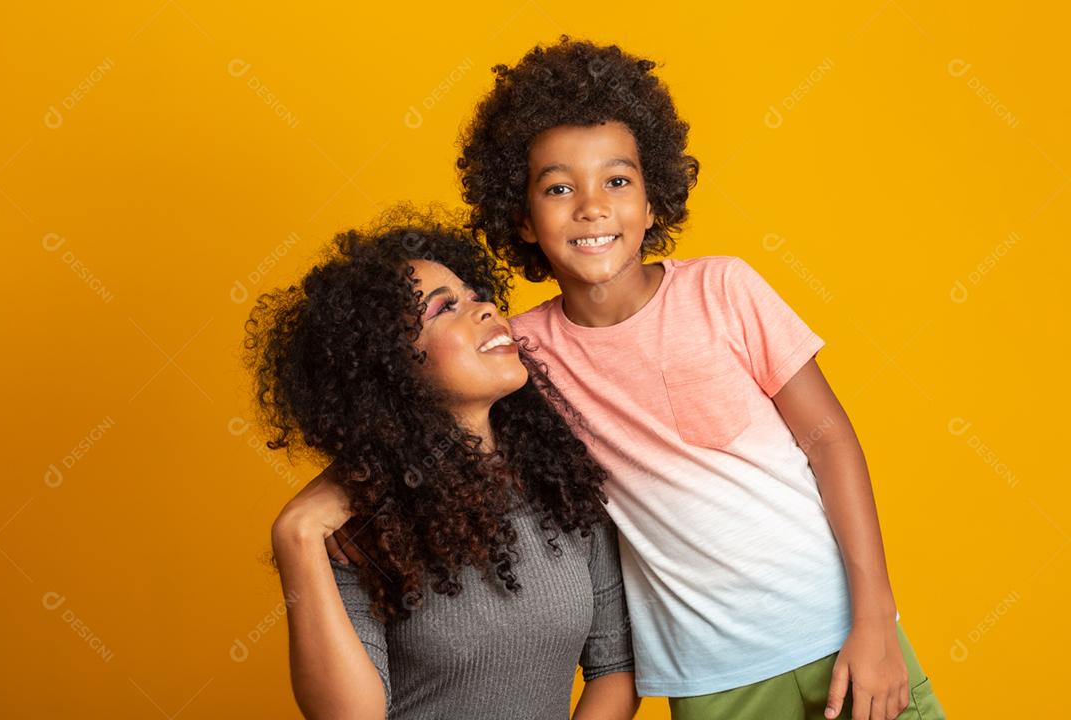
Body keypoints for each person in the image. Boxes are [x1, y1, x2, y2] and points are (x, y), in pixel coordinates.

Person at [454, 37, 946, 720]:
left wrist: (874, 621)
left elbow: (831, 443)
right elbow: (429, 409)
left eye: (617, 181)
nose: (592, 207)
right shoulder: (525, 352)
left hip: (846, 639)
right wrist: (328, 505)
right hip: (712, 681)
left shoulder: (725, 290)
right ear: (523, 220)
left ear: (653, 202)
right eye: (559, 188)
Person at [246, 209, 640, 720]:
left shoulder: (563, 485)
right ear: (391, 367)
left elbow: (615, 668)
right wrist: (296, 536)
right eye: (444, 308)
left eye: (476, 296)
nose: (486, 309)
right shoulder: (360, 526)